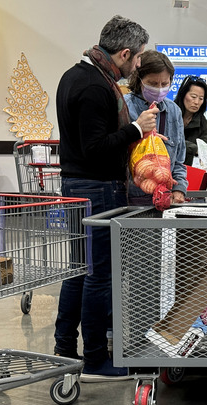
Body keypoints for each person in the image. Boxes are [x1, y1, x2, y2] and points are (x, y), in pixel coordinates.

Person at [55, 15, 153, 381]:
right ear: (124, 53)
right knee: (98, 277)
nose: (139, 65)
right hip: (96, 188)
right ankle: (95, 359)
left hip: (78, 186)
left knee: (79, 272)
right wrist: (135, 129)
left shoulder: (74, 75)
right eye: (138, 58)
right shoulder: (97, 87)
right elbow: (94, 148)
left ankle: (65, 348)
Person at [124, 50, 188, 205]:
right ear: (139, 79)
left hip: (164, 198)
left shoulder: (173, 111)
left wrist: (179, 189)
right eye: (152, 84)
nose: (159, 89)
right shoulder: (124, 106)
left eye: (165, 84)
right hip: (129, 197)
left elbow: (179, 160)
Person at [175, 75, 207, 166]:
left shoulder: (202, 122)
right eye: (193, 96)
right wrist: (195, 148)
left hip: (189, 170)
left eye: (201, 99)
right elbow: (170, 141)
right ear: (183, 95)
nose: (196, 102)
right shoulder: (171, 114)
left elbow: (204, 150)